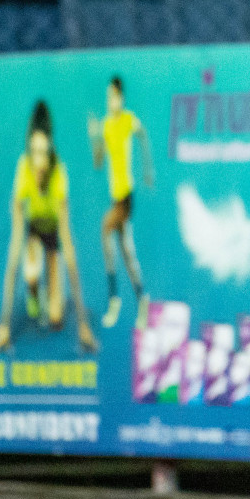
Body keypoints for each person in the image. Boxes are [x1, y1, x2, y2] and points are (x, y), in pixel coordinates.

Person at [0, 101, 98, 355]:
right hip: (32, 232)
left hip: (53, 236)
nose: (39, 161)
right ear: (29, 150)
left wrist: (83, 325)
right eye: (34, 152)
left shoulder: (60, 174)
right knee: (27, 272)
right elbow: (13, 250)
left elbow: (68, 247)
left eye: (43, 153)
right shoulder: (23, 169)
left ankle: (50, 298)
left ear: (50, 151)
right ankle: (33, 290)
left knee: (56, 318)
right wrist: (3, 328)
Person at [87, 76, 153, 330]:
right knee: (127, 254)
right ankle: (142, 300)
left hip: (126, 195)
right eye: (108, 97)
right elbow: (98, 161)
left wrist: (147, 170)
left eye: (114, 97)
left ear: (121, 98)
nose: (110, 101)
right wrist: (94, 137)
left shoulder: (128, 119)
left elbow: (143, 136)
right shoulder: (105, 125)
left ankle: (114, 300)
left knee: (106, 230)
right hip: (115, 195)